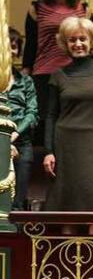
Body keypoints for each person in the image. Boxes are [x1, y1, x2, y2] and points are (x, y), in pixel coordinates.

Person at [43, 17, 93, 235]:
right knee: (68, 208)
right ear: (65, 44)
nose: (77, 44)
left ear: (92, 41)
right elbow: (51, 115)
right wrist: (49, 152)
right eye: (72, 40)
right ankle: (70, 263)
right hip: (66, 145)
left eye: (82, 39)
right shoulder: (58, 75)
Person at [22, 0, 92, 142]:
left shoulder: (84, 9)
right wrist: (24, 78)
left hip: (76, 77)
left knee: (73, 128)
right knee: (44, 130)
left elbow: (91, 48)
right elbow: (30, 46)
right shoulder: (36, 9)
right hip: (43, 78)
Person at [6, 27, 39, 211]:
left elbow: (32, 113)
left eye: (15, 46)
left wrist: (14, 134)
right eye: (7, 45)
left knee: (18, 203)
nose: (11, 50)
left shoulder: (26, 81)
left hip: (22, 143)